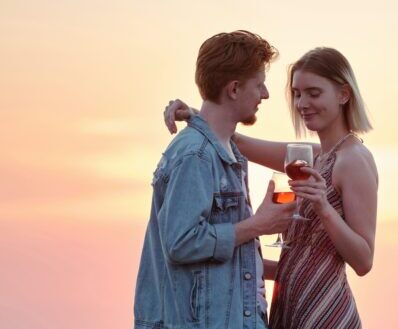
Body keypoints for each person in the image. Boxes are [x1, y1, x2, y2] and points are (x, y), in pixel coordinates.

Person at [164, 47, 378, 329]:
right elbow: (239, 141)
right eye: (297, 93)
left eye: (314, 93)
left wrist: (324, 208)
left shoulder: (354, 160)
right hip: (290, 305)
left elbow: (363, 260)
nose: (302, 103)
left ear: (343, 94)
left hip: (325, 312)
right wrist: (196, 114)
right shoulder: (314, 155)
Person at [134, 30, 294, 329]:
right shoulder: (195, 155)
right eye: (259, 85)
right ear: (234, 89)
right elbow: (181, 243)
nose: (265, 94)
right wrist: (258, 225)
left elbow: (230, 261)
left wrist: (298, 271)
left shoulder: (226, 151)